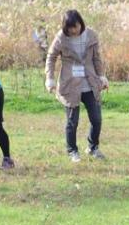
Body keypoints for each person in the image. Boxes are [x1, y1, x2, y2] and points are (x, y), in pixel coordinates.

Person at [45, 9, 109, 161]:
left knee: (96, 118)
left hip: (90, 82)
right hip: (70, 83)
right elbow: (51, 57)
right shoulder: (61, 37)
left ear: (81, 23)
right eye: (70, 28)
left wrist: (102, 76)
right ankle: (72, 150)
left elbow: (96, 58)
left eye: (76, 26)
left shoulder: (91, 35)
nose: (74, 30)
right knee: (72, 121)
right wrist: (50, 78)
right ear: (65, 27)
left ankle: (93, 147)